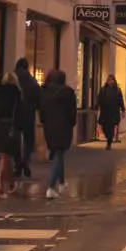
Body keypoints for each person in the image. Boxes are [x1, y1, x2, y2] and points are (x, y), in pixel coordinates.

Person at [40, 70, 77, 199]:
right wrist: (72, 123)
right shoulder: (69, 93)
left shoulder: (45, 92)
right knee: (58, 154)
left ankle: (61, 182)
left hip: (49, 127)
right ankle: (51, 187)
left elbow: (42, 110)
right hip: (63, 127)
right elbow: (73, 113)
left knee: (57, 153)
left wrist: (44, 122)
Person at [0, 72, 24, 199]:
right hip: (11, 127)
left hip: (0, 126)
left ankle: (10, 184)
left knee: (7, 157)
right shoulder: (16, 94)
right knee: (6, 157)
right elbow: (21, 112)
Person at [13, 58, 42, 179]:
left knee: (15, 140)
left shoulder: (13, 80)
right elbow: (39, 101)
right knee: (28, 141)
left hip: (15, 114)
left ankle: (17, 164)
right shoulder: (33, 82)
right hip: (29, 114)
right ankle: (25, 161)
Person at [97, 75, 125, 150]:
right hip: (105, 112)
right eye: (109, 80)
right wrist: (97, 106)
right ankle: (108, 137)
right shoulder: (103, 89)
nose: (110, 81)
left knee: (111, 127)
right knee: (104, 126)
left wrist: (123, 110)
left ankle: (109, 142)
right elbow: (99, 99)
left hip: (113, 112)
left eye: (112, 80)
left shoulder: (117, 90)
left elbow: (121, 101)